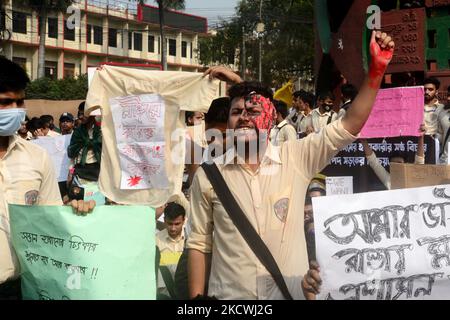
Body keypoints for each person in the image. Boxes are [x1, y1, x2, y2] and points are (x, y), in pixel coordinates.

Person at [188, 31, 395, 300]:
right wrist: (195, 301)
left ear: (272, 119)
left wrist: (377, 70)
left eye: (252, 112)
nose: (243, 118)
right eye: (236, 113)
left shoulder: (296, 157)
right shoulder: (208, 175)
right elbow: (198, 243)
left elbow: (350, 124)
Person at [0, 57, 93, 300]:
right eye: (5, 102)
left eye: (20, 101)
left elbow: (49, 220)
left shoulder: (37, 157)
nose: (15, 110)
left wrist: (75, 213)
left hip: (22, 287)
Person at [361, 124, 426, 190]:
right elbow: (374, 162)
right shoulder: (389, 180)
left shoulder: (413, 176)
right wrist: (363, 140)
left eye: (399, 163)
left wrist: (421, 137)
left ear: (406, 164)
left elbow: (419, 162)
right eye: (393, 163)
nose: (396, 165)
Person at [156, 202, 186, 299]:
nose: (173, 228)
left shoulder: (191, 240)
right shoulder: (156, 240)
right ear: (164, 220)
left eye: (177, 224)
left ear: (184, 221)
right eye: (170, 224)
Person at [437, 86, 450, 164]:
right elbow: (439, 136)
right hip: (444, 161)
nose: (448, 99)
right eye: (448, 95)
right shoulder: (443, 113)